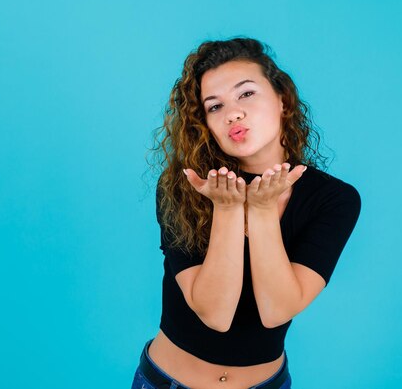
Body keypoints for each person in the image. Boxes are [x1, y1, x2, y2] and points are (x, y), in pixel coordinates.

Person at [132, 37, 362, 389]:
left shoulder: (334, 199)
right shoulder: (185, 186)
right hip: (166, 382)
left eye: (247, 94)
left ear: (283, 99)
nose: (232, 114)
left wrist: (262, 212)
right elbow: (215, 314)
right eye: (214, 106)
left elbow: (276, 310)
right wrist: (227, 209)